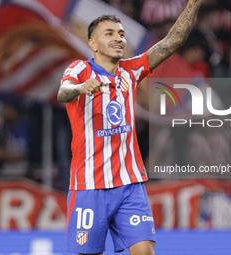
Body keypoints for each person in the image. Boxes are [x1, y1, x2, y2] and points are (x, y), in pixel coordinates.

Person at [57, 1, 201, 254]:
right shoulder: (80, 69)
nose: (118, 38)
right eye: (109, 33)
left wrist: (192, 4)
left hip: (130, 185)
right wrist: (80, 88)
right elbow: (63, 92)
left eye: (121, 34)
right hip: (90, 187)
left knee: (145, 251)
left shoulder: (131, 71)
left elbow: (171, 42)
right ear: (92, 44)